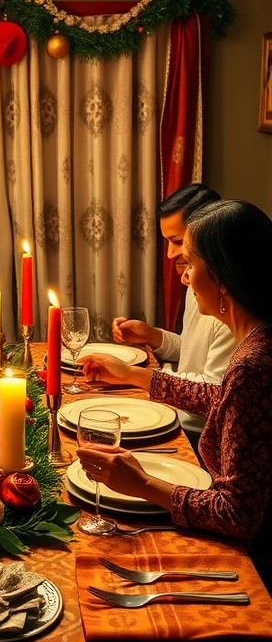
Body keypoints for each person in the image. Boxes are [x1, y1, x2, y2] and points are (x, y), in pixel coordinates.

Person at [78, 199, 272, 588]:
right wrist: (139, 377)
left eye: (190, 265)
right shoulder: (259, 340)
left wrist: (142, 484)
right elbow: (224, 401)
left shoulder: (253, 363)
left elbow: (238, 514)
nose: (183, 277)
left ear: (223, 277)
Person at [112, 183, 237, 448]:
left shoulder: (229, 301)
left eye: (178, 242)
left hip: (198, 432)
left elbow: (213, 391)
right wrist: (154, 336)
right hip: (177, 411)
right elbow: (196, 353)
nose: (170, 254)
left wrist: (129, 374)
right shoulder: (196, 281)